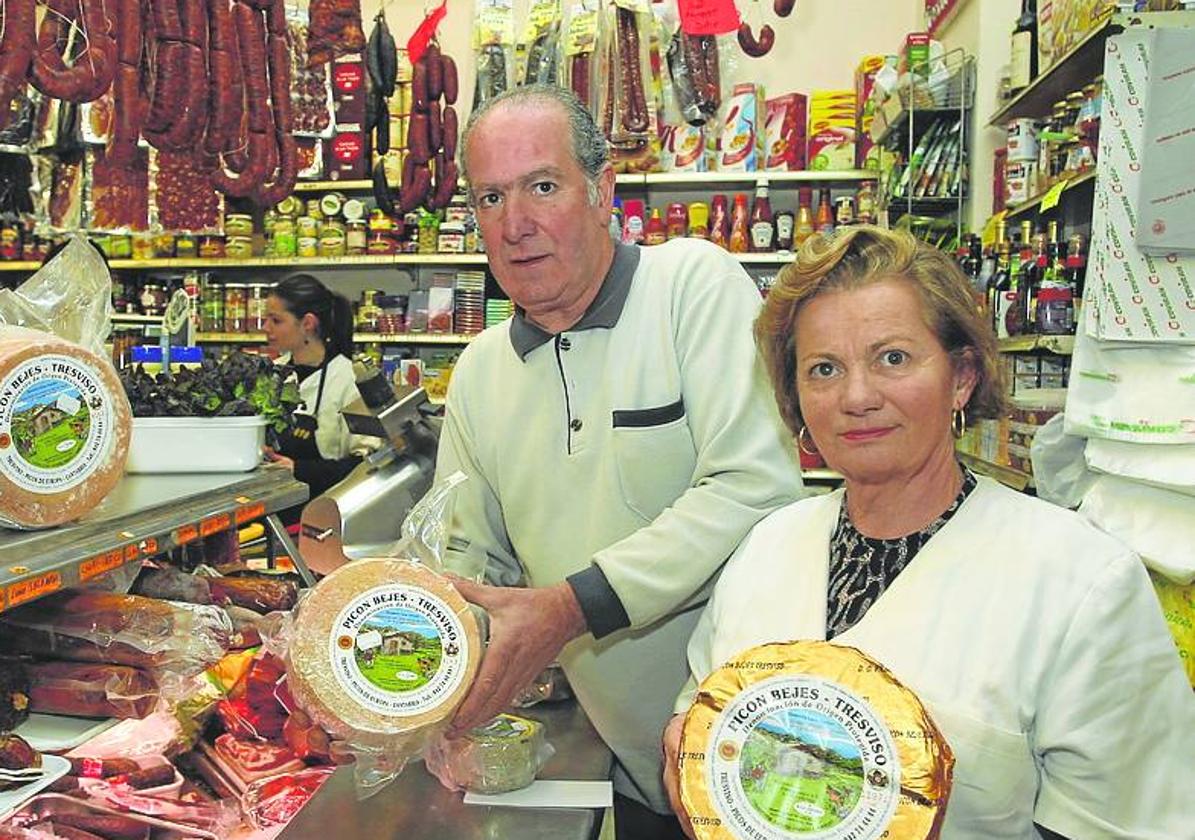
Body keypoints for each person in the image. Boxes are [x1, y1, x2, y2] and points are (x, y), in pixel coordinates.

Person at [661, 226, 1195, 839]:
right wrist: (688, 760)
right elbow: (701, 718)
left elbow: (1132, 822)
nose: (856, 396)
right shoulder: (767, 547)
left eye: (893, 358)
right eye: (824, 369)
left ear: (961, 377)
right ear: (796, 396)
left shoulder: (1082, 580)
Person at [433, 83, 802, 838]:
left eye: (542, 186)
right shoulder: (478, 370)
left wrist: (571, 606)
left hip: (748, 742)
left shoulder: (691, 287)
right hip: (624, 755)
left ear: (602, 190)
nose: (516, 225)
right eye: (490, 199)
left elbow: (755, 486)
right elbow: (471, 554)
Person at [262, 274, 375, 503]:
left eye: (276, 320)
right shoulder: (270, 373)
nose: (265, 328)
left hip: (324, 509)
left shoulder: (349, 380)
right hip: (269, 505)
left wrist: (298, 469)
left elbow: (367, 465)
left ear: (308, 323)